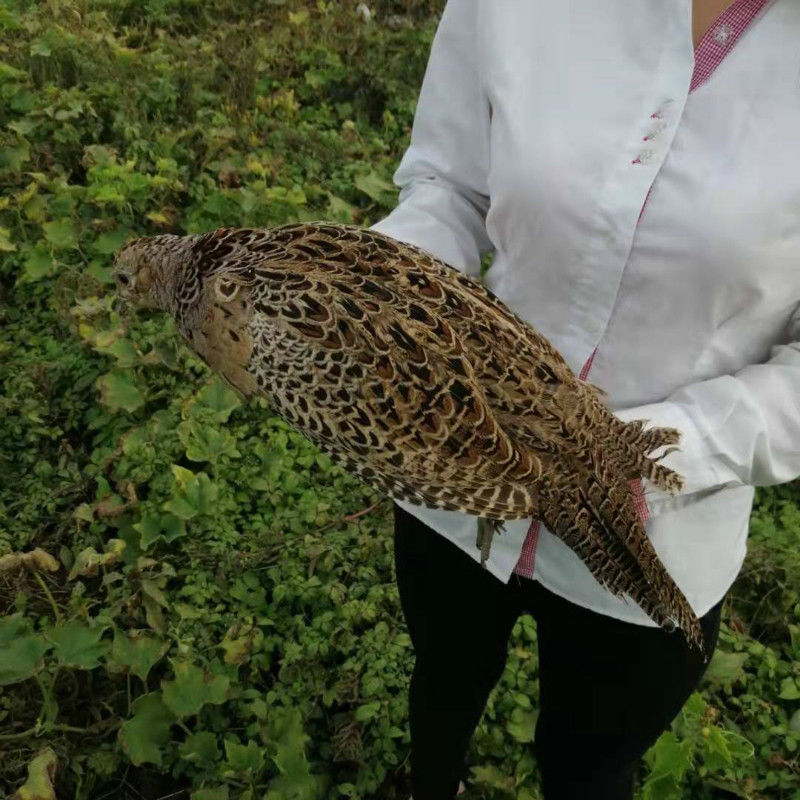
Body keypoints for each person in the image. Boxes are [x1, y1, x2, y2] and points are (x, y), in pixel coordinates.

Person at [371, 1, 800, 798]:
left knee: (591, 766)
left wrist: (667, 448)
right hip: (456, 474)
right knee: (442, 680)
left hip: (658, 546)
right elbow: (449, 183)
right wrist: (386, 310)